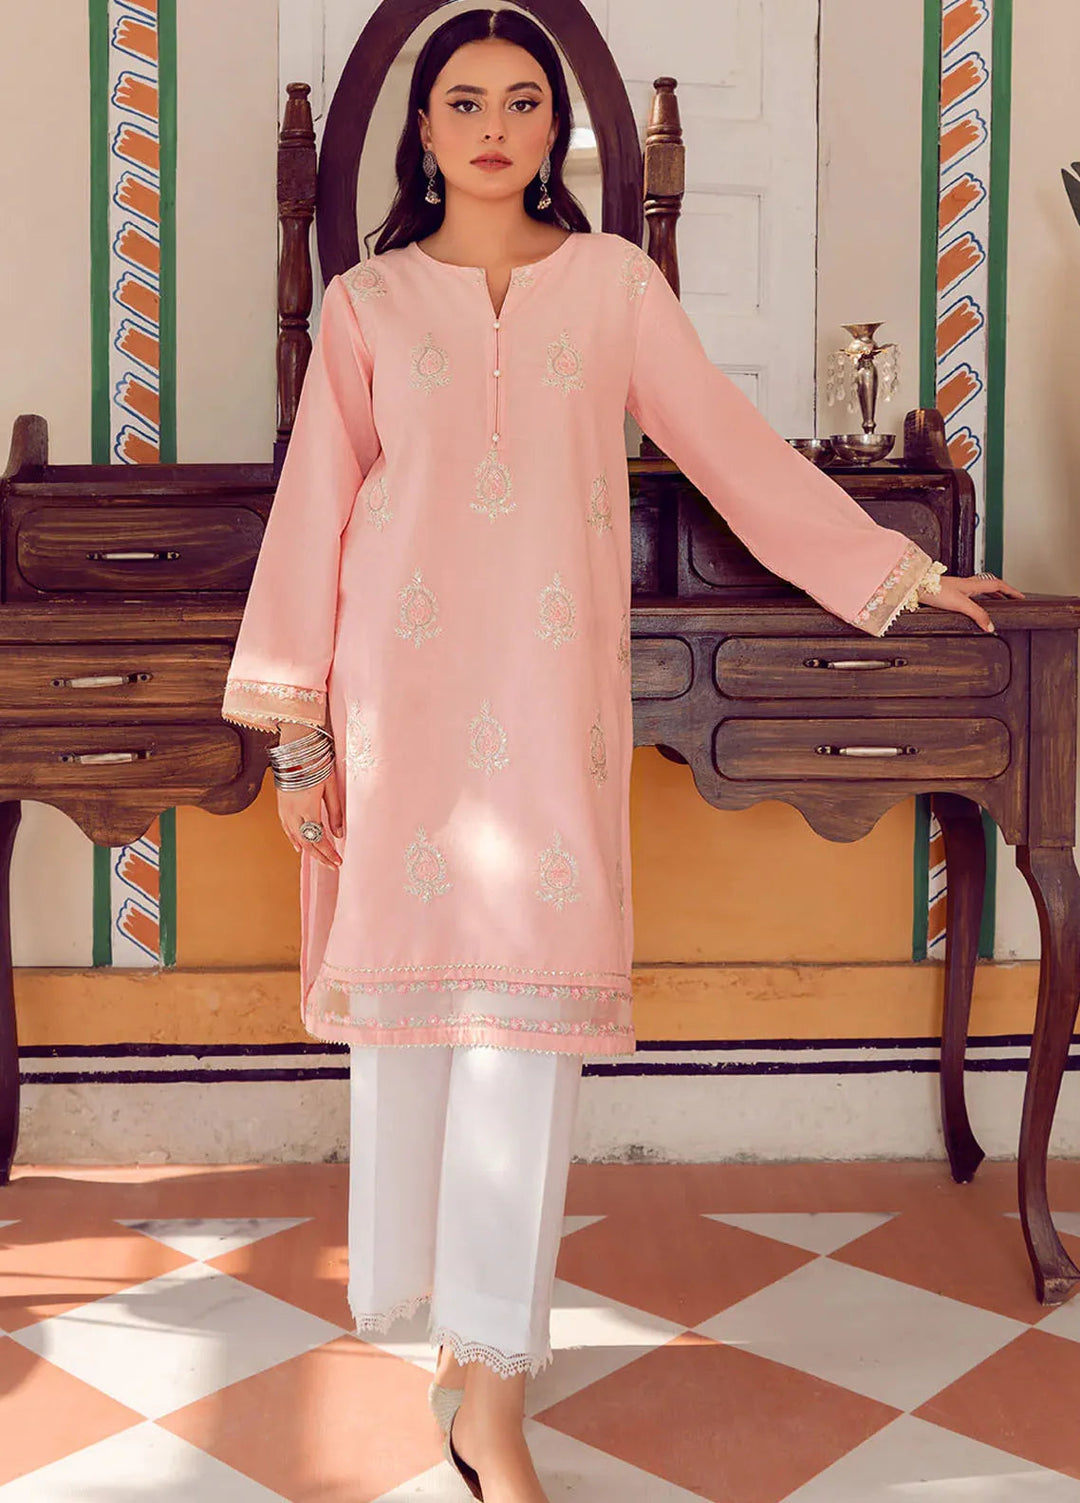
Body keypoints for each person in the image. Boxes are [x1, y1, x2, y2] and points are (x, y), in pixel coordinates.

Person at [221, 9, 1024, 1500]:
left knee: (526, 1041)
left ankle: (494, 1398)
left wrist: (897, 575)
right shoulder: (366, 305)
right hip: (396, 708)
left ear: (555, 129)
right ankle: (456, 1361)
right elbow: (313, 514)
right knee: (418, 1036)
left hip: (546, 709)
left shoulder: (611, 288)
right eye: (466, 102)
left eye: (523, 102)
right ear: (422, 130)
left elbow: (730, 448)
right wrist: (300, 738)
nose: (495, 127)